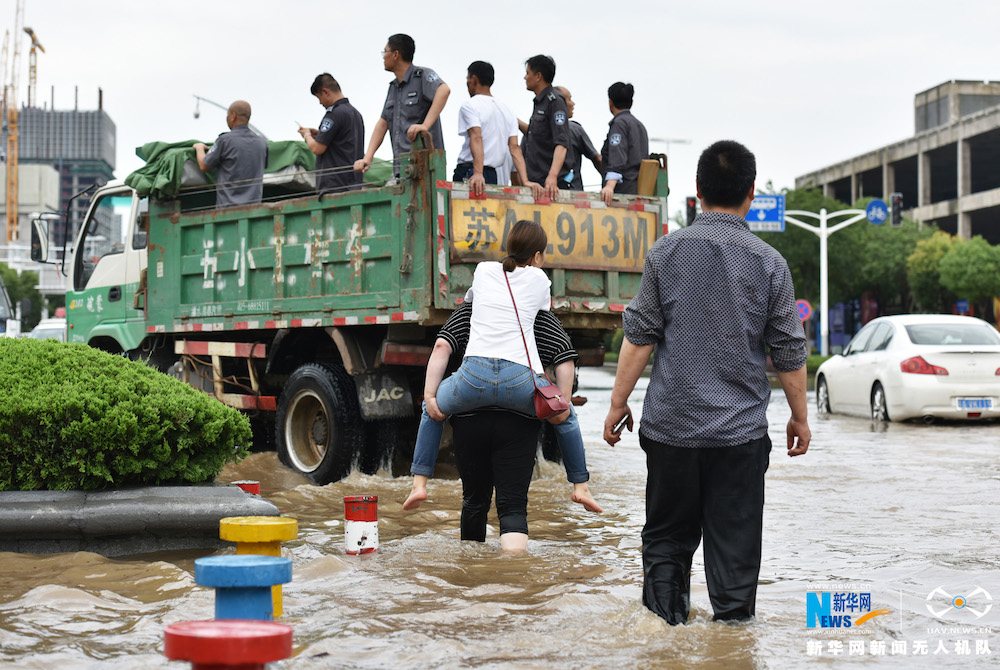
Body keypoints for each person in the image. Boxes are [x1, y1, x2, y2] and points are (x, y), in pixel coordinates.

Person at [603, 140, 811, 625]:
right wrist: (800, 417)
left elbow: (639, 338)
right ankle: (732, 649)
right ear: (751, 194)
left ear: (697, 191)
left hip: (671, 432)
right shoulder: (769, 262)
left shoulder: (666, 253)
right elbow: (788, 351)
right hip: (738, 438)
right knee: (735, 559)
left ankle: (665, 642)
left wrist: (617, 403)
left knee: (666, 546)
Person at [403, 220, 600, 514]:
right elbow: (558, 347)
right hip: (520, 380)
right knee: (566, 417)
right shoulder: (539, 280)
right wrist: (562, 402)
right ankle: (580, 487)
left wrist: (431, 397)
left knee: (432, 411)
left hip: (473, 377)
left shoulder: (483, 271)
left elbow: (443, 345)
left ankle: (419, 484)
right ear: (536, 257)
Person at [354, 34, 450, 176]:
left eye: (385, 52)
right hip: (402, 169)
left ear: (395, 54)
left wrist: (424, 126)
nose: (383, 57)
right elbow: (383, 122)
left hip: (425, 169)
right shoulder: (393, 87)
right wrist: (368, 157)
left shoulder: (422, 75)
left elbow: (444, 90)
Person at [455, 61, 540, 197]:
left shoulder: (470, 106)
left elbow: (476, 136)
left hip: (470, 172)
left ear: (474, 79)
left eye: (468, 79)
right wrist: (525, 181)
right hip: (491, 175)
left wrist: (477, 173)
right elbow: (515, 148)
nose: (467, 83)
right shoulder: (507, 111)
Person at [298, 73, 365, 195]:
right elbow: (343, 140)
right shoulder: (355, 114)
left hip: (334, 187)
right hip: (354, 185)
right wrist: (320, 134)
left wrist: (307, 135)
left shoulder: (333, 114)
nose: (320, 103)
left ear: (325, 92)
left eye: (319, 98)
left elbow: (317, 148)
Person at [193, 100, 267, 208]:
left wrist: (199, 148)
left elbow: (204, 165)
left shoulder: (224, 140)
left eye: (227, 115)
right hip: (254, 211)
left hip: (227, 212)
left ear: (233, 116)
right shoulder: (262, 142)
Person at [521, 55, 571, 198]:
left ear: (538, 76)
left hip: (551, 186)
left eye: (527, 73)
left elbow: (562, 142)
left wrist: (552, 176)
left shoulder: (554, 102)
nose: (525, 77)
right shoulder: (539, 102)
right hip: (536, 183)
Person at [600, 82, 650, 205]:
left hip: (622, 193)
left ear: (610, 103)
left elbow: (617, 157)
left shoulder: (619, 124)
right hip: (638, 190)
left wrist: (609, 186)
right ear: (631, 102)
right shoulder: (640, 125)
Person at [554, 86, 602, 191]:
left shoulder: (533, 130)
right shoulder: (574, 129)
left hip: (540, 196)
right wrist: (610, 184)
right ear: (560, 103)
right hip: (573, 196)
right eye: (569, 99)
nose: (573, 103)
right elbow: (597, 159)